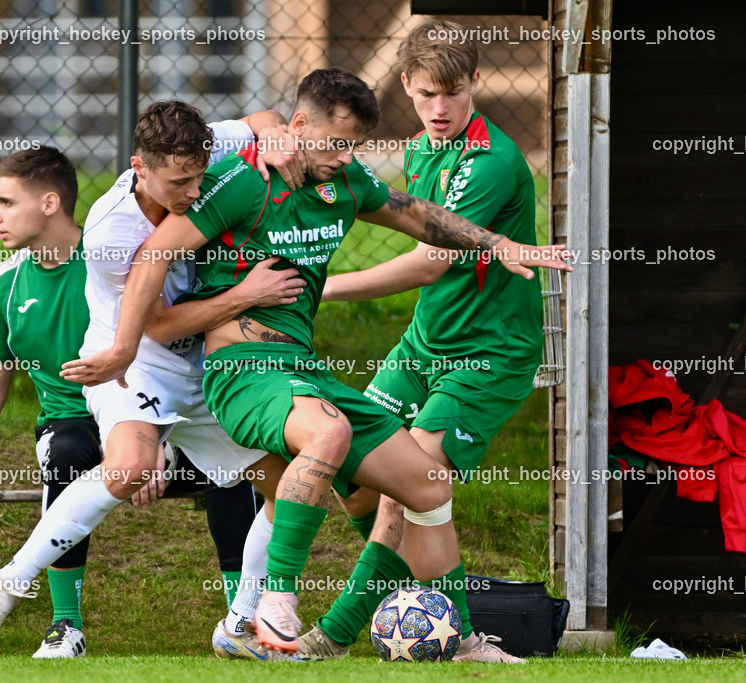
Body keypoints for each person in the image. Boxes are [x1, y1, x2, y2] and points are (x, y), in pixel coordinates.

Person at [64, 67, 570, 654]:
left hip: (301, 369)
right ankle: (275, 600)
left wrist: (498, 244)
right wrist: (124, 346)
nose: (344, 156)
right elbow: (154, 256)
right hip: (242, 373)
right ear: (299, 124)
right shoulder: (243, 181)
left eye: (355, 146)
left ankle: (461, 639)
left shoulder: (345, 182)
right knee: (328, 433)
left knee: (429, 489)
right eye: (335, 142)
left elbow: (415, 215)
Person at [0, 142, 286, 658]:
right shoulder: (5, 283)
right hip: (83, 426)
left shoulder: (113, 255)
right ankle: (64, 626)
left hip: (156, 413)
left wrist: (158, 442)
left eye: (5, 202)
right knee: (70, 450)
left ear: (49, 204)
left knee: (264, 470)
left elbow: (167, 344)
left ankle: (241, 621)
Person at [292, 20, 545, 663]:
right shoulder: (419, 149)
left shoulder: (492, 160)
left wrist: (319, 288)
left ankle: (345, 631)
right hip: (422, 347)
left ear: (476, 85)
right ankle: (415, 611)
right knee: (357, 485)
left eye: (453, 93)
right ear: (406, 84)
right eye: (427, 93)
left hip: (487, 356)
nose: (439, 108)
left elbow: (431, 262)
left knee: (414, 480)